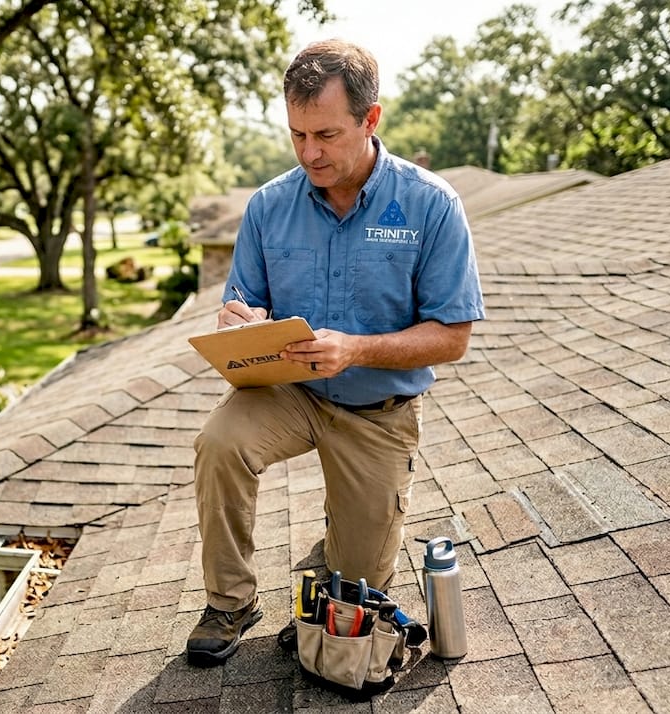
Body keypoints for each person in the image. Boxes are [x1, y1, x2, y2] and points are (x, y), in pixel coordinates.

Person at [185, 39, 486, 667]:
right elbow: (244, 297)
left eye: (325, 134)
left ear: (371, 120)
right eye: (296, 135)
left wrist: (354, 349)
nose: (309, 153)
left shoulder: (431, 205)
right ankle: (231, 600)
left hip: (378, 411)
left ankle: (335, 553)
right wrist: (239, 318)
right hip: (288, 393)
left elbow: (452, 337)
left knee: (357, 596)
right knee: (220, 442)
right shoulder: (269, 205)